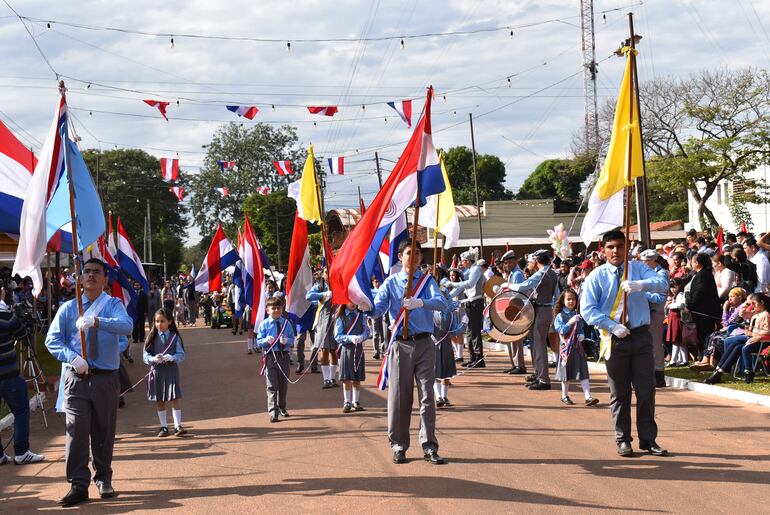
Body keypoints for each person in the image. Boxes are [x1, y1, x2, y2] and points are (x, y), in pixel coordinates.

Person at [45, 258, 133, 506]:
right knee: (76, 432)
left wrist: (97, 321)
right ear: (80, 278)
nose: (91, 276)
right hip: (77, 379)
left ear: (106, 279)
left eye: (97, 272)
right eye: (87, 272)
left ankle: (104, 478)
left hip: (105, 379)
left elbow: (127, 326)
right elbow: (52, 340)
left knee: (104, 430)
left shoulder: (113, 305)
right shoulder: (69, 308)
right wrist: (72, 357)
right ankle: (78, 484)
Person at [580, 230, 668, 457]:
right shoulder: (596, 276)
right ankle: (623, 440)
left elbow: (662, 282)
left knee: (646, 390)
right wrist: (611, 326)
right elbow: (588, 310)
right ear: (603, 250)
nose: (615, 251)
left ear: (626, 247)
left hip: (641, 336)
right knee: (619, 394)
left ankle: (648, 440)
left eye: (620, 246)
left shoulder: (637, 268)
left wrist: (641, 284)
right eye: (610, 247)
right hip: (615, 339)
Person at [371, 240, 448, 465]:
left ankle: (429, 446)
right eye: (408, 253)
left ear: (421, 258)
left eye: (417, 253)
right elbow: (378, 309)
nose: (412, 257)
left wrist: (420, 303)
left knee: (427, 397)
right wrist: (364, 305)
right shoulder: (391, 283)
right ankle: (398, 445)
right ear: (400, 257)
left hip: (424, 343)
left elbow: (441, 303)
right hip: (400, 345)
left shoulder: (427, 281)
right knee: (399, 398)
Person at [0, 294, 45, 465]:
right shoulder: (6, 316)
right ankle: (21, 451)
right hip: (8, 374)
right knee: (20, 411)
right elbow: (22, 333)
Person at [507, 250, 559, 390]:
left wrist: (506, 285)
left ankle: (543, 379)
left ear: (536, 261)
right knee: (536, 344)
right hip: (544, 309)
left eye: (531, 261)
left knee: (539, 345)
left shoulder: (541, 274)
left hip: (541, 309)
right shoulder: (552, 272)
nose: (530, 264)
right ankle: (538, 374)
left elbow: (522, 286)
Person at [705, 292, 770, 385]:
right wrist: (747, 303)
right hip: (752, 338)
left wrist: (755, 335)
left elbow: (767, 331)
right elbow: (742, 314)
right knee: (735, 346)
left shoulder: (766, 315)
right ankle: (718, 372)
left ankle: (745, 371)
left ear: (762, 302)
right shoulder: (755, 314)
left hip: (761, 341)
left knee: (737, 344)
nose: (752, 306)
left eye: (754, 303)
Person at [143, 308, 187, 437]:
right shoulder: (151, 337)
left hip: (171, 370)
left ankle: (178, 425)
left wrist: (173, 357)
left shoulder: (174, 337)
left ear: (169, 322)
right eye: (156, 321)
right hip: (157, 372)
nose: (159, 324)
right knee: (159, 399)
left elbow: (181, 354)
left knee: (174, 397)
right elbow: (145, 355)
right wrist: (152, 359)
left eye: (162, 321)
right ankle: (164, 426)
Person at [552, 289, 598, 406]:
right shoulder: (560, 316)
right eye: (568, 299)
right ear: (563, 301)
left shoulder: (577, 315)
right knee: (565, 373)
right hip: (566, 349)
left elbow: (580, 329)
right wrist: (570, 323)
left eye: (573, 299)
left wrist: (582, 334)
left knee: (583, 371)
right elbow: (561, 330)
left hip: (578, 347)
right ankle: (564, 395)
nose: (571, 301)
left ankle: (588, 396)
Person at [256, 296, 295, 422]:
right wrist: (265, 341)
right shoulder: (264, 324)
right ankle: (273, 411)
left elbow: (292, 339)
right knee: (272, 385)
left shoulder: (286, 323)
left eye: (279, 308)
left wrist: (287, 341)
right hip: (271, 358)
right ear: (267, 310)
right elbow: (259, 342)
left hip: (283, 357)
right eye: (273, 308)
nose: (276, 310)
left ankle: (282, 407)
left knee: (283, 384)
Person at [447, 248, 486, 367]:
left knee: (474, 331)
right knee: (469, 331)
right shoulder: (469, 271)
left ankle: (479, 358)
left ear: (468, 261)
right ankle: (472, 356)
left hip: (475, 302)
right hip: (470, 303)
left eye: (463, 261)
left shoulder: (476, 269)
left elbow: (469, 284)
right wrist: (447, 296)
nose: (461, 263)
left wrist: (453, 284)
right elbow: (461, 287)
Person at [640, 249, 669, 387]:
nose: (643, 264)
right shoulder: (647, 274)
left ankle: (659, 374)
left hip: (655, 311)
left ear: (652, 261)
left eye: (645, 261)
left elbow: (660, 298)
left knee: (656, 344)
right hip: (645, 311)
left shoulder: (661, 274)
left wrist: (642, 293)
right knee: (648, 344)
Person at [685, 253, 721, 362]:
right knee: (701, 335)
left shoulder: (703, 275)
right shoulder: (700, 274)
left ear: (697, 263)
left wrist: (689, 303)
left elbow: (699, 293)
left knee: (705, 335)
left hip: (704, 312)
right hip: (700, 311)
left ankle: (706, 358)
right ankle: (702, 357)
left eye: (692, 261)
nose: (691, 263)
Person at [306, 269, 338, 388]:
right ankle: (326, 379)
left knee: (334, 350)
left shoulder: (338, 285)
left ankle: (333, 378)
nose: (328, 274)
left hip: (336, 319)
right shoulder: (320, 286)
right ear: (323, 275)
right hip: (323, 320)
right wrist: (323, 294)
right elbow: (308, 296)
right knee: (324, 349)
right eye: (326, 272)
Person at [433, 293, 466, 407]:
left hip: (446, 345)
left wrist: (464, 324)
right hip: (434, 345)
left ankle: (444, 396)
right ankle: (438, 397)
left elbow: (455, 332)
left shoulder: (451, 315)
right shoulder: (431, 313)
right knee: (435, 373)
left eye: (445, 298)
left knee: (446, 373)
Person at [334, 302, 368, 413]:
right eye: (349, 301)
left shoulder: (361, 315)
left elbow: (366, 331)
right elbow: (337, 336)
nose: (353, 304)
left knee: (357, 377)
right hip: (346, 349)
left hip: (358, 350)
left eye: (354, 301)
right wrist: (350, 338)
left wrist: (362, 337)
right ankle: (347, 401)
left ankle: (356, 401)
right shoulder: (341, 316)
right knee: (346, 377)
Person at [499, 250, 527, 375]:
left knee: (516, 338)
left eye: (510, 262)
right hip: (510, 307)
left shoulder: (517, 274)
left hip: (516, 308)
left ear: (515, 261)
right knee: (510, 338)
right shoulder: (512, 274)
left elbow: (517, 293)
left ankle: (520, 365)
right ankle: (514, 364)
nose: (508, 265)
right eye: (506, 263)